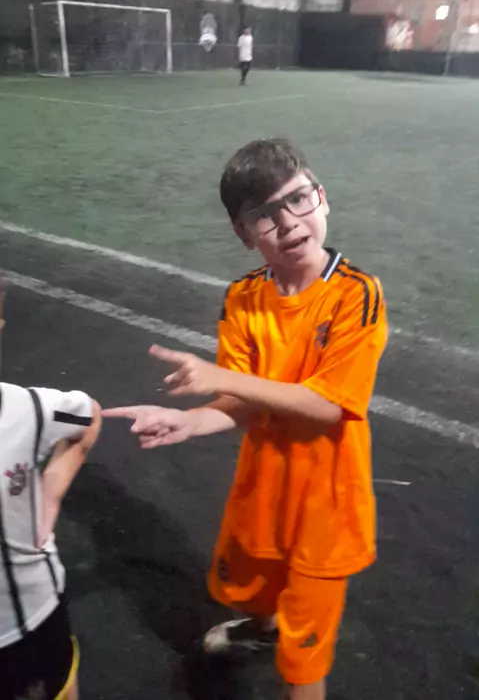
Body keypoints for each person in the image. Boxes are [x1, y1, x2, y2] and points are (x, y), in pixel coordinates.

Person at [104, 139, 388, 700]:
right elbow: (241, 402)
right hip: (262, 493)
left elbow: (328, 405)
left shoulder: (356, 295)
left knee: (302, 666)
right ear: (243, 233)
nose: (288, 222)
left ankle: (287, 649)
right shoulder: (242, 298)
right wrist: (190, 420)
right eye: (264, 214)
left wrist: (222, 379)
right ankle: (262, 628)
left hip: (326, 510)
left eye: (298, 199)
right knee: (258, 591)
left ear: (322, 198)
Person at [0, 286, 101, 700]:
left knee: (56, 685)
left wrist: (52, 492)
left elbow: (88, 414)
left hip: (27, 618)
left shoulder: (28, 409)